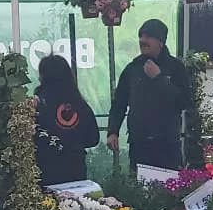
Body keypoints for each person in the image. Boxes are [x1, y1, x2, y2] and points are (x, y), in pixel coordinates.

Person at [106, 18, 190, 170]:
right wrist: (112, 131)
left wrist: (159, 79)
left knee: (169, 189)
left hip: (167, 144)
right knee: (139, 189)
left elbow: (184, 101)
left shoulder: (175, 67)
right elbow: (119, 103)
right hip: (139, 144)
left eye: (148, 37)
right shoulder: (133, 68)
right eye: (141, 37)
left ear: (161, 42)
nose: (143, 41)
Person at [34, 54, 101, 185]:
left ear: (43, 77)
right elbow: (93, 139)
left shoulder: (37, 104)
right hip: (75, 172)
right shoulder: (79, 104)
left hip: (46, 172)